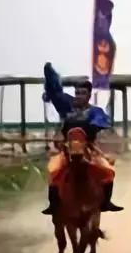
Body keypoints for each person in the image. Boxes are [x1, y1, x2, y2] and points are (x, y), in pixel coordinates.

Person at [40, 62, 123, 215]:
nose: (78, 96)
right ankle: (54, 204)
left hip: (89, 149)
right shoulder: (67, 105)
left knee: (108, 170)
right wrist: (49, 73)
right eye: (77, 93)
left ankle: (106, 202)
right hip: (67, 150)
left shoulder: (95, 112)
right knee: (53, 170)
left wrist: (94, 125)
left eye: (82, 93)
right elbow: (56, 93)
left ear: (89, 95)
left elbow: (104, 121)